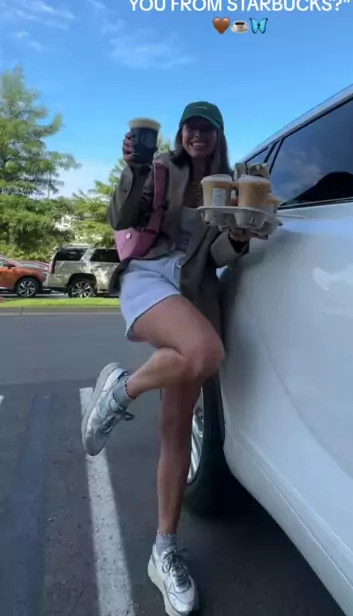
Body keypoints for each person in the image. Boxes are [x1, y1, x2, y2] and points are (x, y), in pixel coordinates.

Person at [81, 102, 266, 616]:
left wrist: (239, 237)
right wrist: (133, 168)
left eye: (206, 128)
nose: (196, 134)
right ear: (181, 133)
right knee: (205, 351)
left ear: (218, 135)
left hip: (194, 290)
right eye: (190, 127)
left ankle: (163, 551)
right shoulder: (161, 169)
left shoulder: (231, 186)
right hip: (148, 276)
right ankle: (122, 389)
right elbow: (121, 218)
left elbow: (219, 257)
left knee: (177, 429)